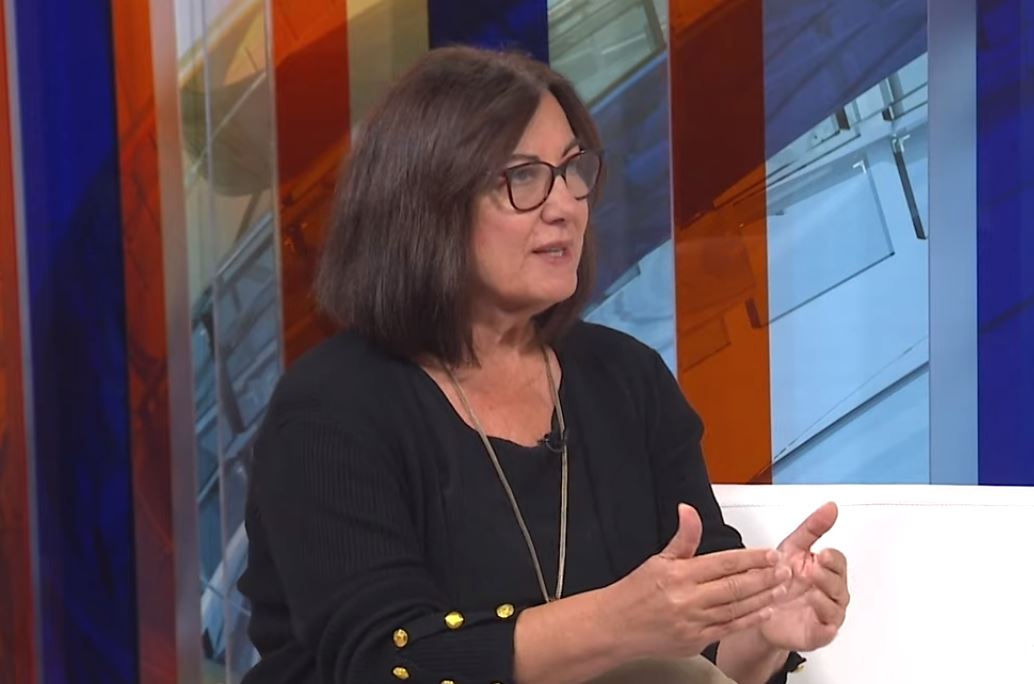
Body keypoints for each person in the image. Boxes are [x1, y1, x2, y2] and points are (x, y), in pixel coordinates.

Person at [238, 46, 850, 684]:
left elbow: (707, 646)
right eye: (524, 177)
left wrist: (761, 629)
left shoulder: (627, 378)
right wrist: (614, 624)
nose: (565, 205)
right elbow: (385, 659)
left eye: (571, 170)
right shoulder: (331, 409)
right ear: (427, 201)